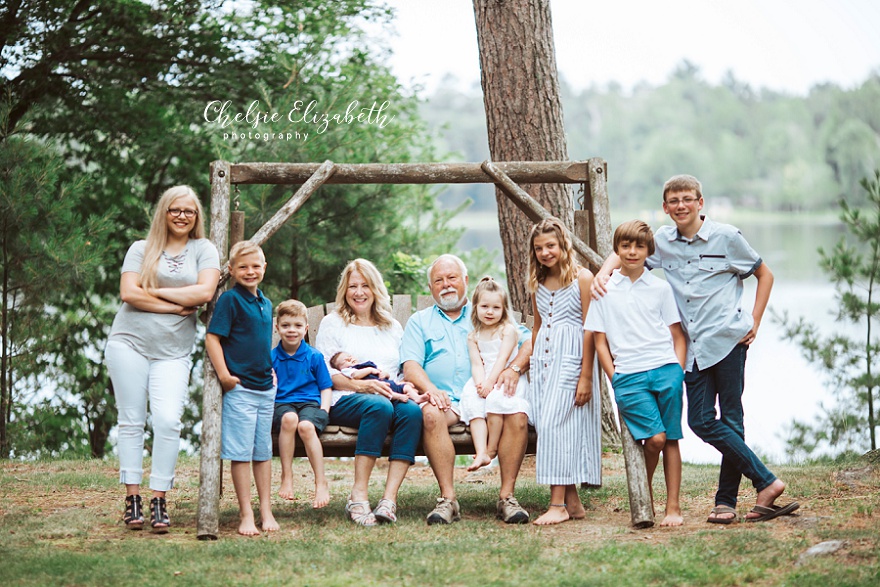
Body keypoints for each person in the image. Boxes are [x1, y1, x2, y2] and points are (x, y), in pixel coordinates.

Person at [592, 174, 798, 524]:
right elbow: (627, 252)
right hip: (691, 347)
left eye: (688, 199)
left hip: (728, 342)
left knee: (731, 418)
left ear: (700, 203)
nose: (681, 206)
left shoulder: (727, 237)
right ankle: (766, 481)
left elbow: (765, 275)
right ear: (665, 207)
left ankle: (726, 502)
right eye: (674, 201)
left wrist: (755, 321)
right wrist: (603, 273)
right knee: (701, 420)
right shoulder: (661, 242)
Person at [105, 185, 220, 533]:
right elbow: (128, 293)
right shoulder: (141, 249)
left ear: (197, 216)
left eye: (189, 211)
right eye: (175, 210)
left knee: (169, 421)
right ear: (164, 213)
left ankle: (159, 499)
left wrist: (150, 291)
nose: (182, 216)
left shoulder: (204, 249)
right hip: (129, 343)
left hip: (173, 351)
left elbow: (204, 292)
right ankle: (133, 499)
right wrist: (175, 306)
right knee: (131, 421)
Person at [401, 254, 533, 525]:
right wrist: (431, 389)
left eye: (452, 278)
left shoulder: (485, 311)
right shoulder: (420, 321)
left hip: (489, 393)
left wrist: (514, 368)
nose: (446, 285)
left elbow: (529, 341)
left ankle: (506, 497)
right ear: (431, 288)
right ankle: (448, 500)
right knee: (430, 413)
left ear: (465, 281)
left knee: (517, 415)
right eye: (439, 280)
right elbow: (411, 366)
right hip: (448, 400)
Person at [584, 220, 688, 527]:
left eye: (639, 246)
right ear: (616, 250)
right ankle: (645, 494)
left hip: (665, 369)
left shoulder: (660, 287)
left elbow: (677, 336)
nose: (632, 252)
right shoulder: (603, 289)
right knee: (654, 439)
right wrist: (614, 376)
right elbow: (600, 340)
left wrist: (677, 373)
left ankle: (672, 506)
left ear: (648, 251)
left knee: (670, 439)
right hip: (628, 376)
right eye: (626, 246)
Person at [314, 259, 423, 526]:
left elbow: (397, 371)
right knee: (379, 406)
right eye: (353, 286)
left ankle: (388, 500)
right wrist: (362, 385)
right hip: (345, 398)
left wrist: (406, 386)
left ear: (375, 289)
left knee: (410, 411)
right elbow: (325, 373)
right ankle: (358, 496)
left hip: (388, 393)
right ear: (344, 290)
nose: (359, 292)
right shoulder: (333, 323)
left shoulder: (391, 326)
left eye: (365, 286)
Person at [528, 217, 602, 525]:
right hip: (543, 364)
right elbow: (537, 325)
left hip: (572, 359)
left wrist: (586, 375)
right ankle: (573, 503)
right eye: (539, 248)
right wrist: (532, 367)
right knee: (553, 427)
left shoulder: (582, 278)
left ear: (563, 245)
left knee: (554, 425)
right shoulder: (537, 283)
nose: (545, 253)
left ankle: (556, 504)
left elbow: (592, 328)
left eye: (550, 246)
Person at [205, 241, 278, 536]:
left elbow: (259, 342)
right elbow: (213, 338)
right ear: (232, 270)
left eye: (256, 266)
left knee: (263, 453)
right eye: (243, 267)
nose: (250, 271)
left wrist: (271, 368)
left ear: (264, 267)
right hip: (241, 390)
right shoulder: (230, 301)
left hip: (265, 389)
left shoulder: (265, 301)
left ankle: (266, 511)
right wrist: (224, 375)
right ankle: (246, 514)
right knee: (242, 454)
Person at [459, 276, 531, 472]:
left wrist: (491, 383)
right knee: (472, 399)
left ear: (504, 310)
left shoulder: (507, 331)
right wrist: (480, 383)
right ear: (475, 308)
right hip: (485, 378)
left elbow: (502, 359)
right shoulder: (473, 335)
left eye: (496, 308)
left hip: (504, 378)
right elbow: (477, 363)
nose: (489, 312)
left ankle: (491, 450)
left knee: (495, 400)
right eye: (484, 306)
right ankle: (480, 450)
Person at [272, 299, 333, 509]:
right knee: (290, 419)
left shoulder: (314, 356)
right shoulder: (271, 358)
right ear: (277, 327)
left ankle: (321, 482)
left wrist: (324, 409)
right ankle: (287, 476)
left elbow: (326, 387)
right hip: (282, 404)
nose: (292, 330)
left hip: (310, 404)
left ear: (306, 329)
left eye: (298, 326)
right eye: (286, 325)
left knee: (306, 426)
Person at [329, 351, 425, 404]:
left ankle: (417, 398)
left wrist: (385, 374)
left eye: (350, 356)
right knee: (383, 392)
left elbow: (383, 375)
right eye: (345, 361)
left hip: (385, 382)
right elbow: (356, 375)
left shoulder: (364, 364)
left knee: (406, 386)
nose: (350, 360)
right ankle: (398, 397)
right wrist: (370, 370)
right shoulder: (349, 371)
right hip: (375, 388)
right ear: (340, 368)